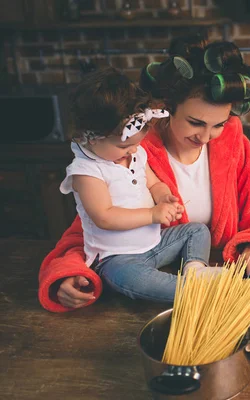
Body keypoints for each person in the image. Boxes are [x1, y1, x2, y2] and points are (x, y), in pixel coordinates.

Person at [38, 32, 250, 312]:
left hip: (207, 266)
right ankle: (204, 290)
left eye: (219, 124)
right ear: (166, 109)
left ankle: (200, 274)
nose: (207, 137)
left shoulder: (234, 144)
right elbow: (86, 229)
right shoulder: (128, 148)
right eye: (195, 122)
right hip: (146, 291)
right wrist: (69, 272)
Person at [58, 67, 214, 303]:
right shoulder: (86, 171)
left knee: (197, 230)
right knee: (137, 280)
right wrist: (152, 214)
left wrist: (163, 197)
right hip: (117, 259)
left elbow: (153, 183)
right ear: (87, 137)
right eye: (123, 147)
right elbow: (105, 217)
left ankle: (196, 270)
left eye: (135, 144)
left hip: (154, 245)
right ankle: (191, 290)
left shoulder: (135, 153)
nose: (132, 151)